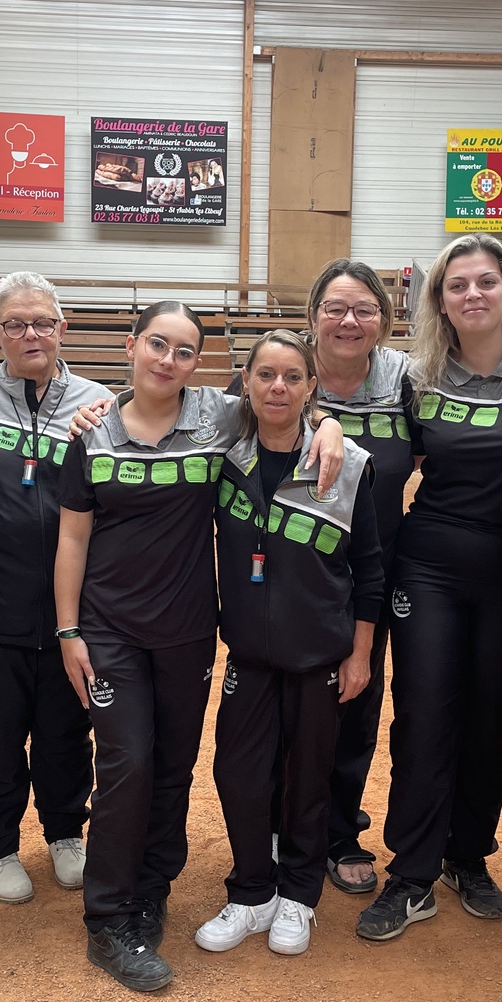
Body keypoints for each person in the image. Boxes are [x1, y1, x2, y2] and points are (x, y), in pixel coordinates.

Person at [54, 302, 342, 992]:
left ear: (200, 365)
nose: (168, 360)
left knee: (174, 767)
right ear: (131, 345)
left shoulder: (217, 416)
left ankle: (151, 888)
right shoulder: (91, 433)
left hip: (187, 630)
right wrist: (68, 630)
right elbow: (72, 537)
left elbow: (290, 399)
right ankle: (109, 919)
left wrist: (328, 422)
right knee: (127, 761)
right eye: (158, 344)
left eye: (184, 352)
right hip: (109, 629)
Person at [357, 233, 502, 941]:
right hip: (430, 567)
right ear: (440, 301)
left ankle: (467, 855)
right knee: (424, 716)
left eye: (487, 282)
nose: (473, 294)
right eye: (458, 285)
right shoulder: (417, 373)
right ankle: (411, 874)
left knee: (491, 719)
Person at [196, 331, 383, 957]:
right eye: (266, 375)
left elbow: (373, 570)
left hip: (321, 657)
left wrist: (359, 654)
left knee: (308, 780)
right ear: (245, 383)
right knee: (239, 774)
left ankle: (298, 896)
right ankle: (252, 892)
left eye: (292, 377)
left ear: (311, 388)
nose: (278, 387)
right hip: (248, 656)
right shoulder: (224, 456)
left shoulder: (349, 464)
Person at [0, 273, 110, 905]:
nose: (31, 334)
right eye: (15, 324)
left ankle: (67, 833)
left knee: (70, 728)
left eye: (43, 322)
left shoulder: (100, 405)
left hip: (73, 610)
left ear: (63, 328)